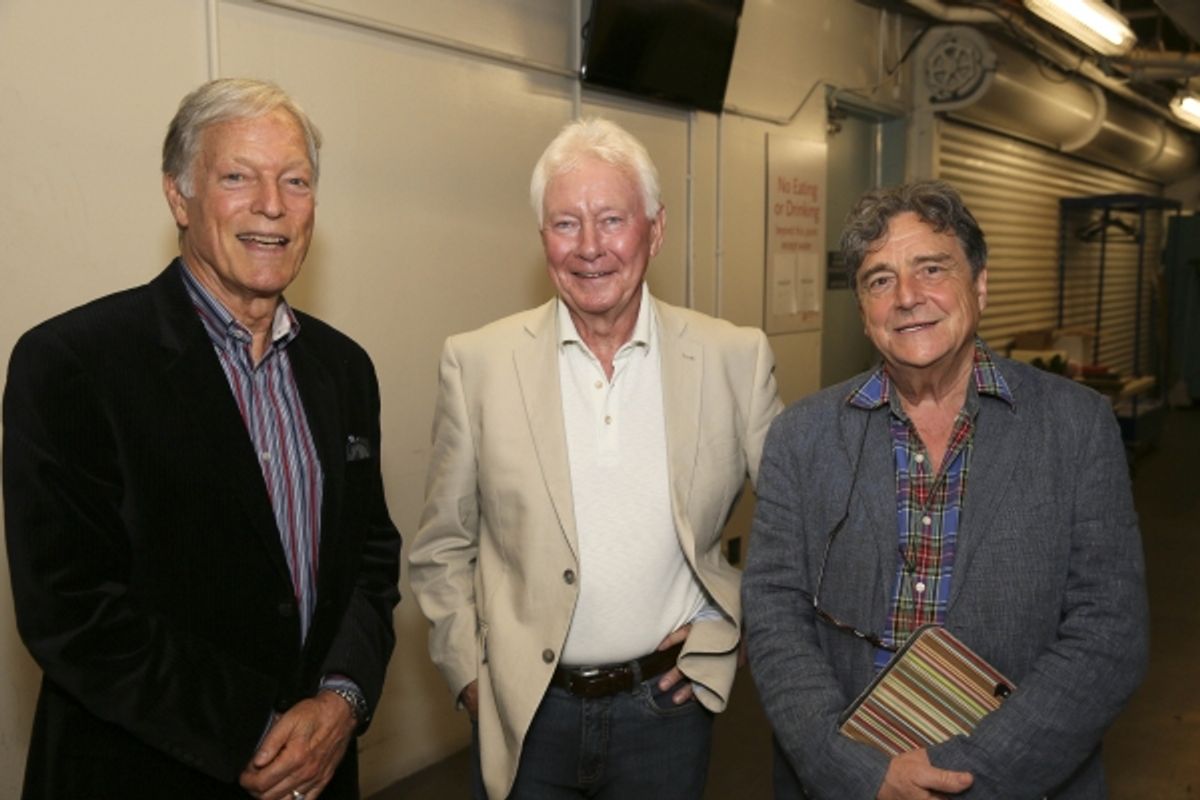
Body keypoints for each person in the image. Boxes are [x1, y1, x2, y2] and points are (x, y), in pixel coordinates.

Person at [3, 78, 401, 800]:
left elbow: (370, 563)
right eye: (237, 177)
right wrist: (253, 730)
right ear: (179, 197)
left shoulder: (345, 370)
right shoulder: (72, 364)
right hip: (143, 773)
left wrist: (341, 703)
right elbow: (72, 611)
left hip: (319, 775)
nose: (272, 205)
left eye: (295, 180)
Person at [408, 117, 783, 799]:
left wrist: (731, 628)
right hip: (526, 715)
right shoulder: (478, 363)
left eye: (611, 219)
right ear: (541, 237)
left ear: (655, 229)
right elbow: (440, 547)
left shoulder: (734, 358)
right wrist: (471, 678)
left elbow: (800, 529)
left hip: (666, 711)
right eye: (564, 224)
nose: (589, 248)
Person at [742, 180, 1148, 799]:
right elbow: (775, 617)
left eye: (932, 268)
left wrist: (964, 779)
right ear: (862, 307)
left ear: (979, 285)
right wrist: (859, 774)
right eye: (880, 279)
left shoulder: (1075, 426)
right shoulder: (803, 437)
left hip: (1020, 783)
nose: (907, 297)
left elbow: (1108, 633)